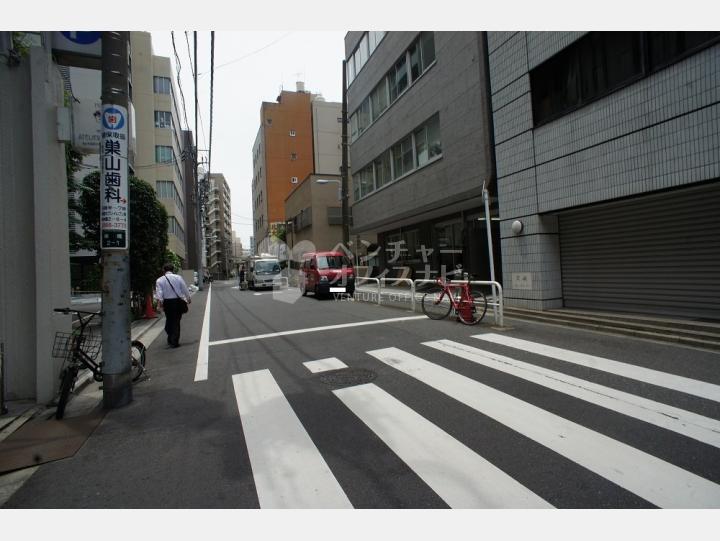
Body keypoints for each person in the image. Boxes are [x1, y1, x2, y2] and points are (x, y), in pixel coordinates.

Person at [155, 263, 191, 348]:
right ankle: (174, 341)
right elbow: (184, 288)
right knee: (176, 321)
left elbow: (159, 293)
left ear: (164, 270)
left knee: (169, 319)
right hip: (177, 301)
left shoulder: (159, 280)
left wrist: (159, 304)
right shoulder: (178, 278)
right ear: (173, 270)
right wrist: (188, 298)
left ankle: (171, 337)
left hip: (167, 303)